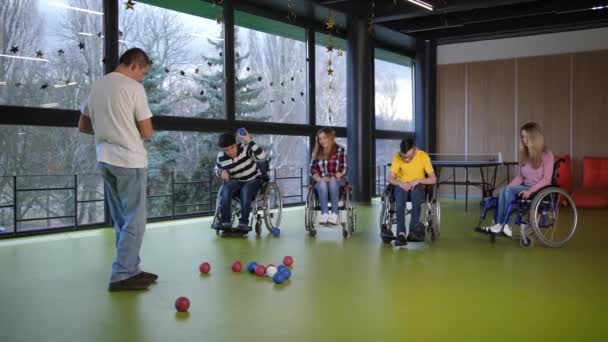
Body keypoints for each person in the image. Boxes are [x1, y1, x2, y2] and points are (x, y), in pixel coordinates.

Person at [79, 48, 157, 291]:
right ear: (135, 65)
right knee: (135, 220)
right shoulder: (133, 88)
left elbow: (83, 125)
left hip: (106, 158)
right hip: (129, 161)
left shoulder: (98, 85)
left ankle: (131, 268)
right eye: (143, 72)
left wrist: (109, 131)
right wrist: (125, 132)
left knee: (122, 218)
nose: (143, 78)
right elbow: (147, 132)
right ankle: (122, 274)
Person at [477, 122, 554, 237]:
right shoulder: (526, 155)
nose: (524, 140)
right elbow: (521, 177)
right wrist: (509, 186)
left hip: (539, 190)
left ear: (534, 137)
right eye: (522, 137)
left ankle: (507, 226)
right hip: (525, 187)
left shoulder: (547, 155)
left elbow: (547, 180)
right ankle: (499, 224)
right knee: (504, 190)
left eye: (526, 137)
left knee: (507, 191)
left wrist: (530, 191)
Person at [214, 129, 266, 235]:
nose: (231, 152)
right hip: (237, 181)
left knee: (246, 189)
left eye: (232, 148)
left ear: (235, 144)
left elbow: (262, 156)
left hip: (253, 179)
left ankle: (243, 223)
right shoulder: (221, 157)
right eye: (227, 150)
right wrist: (221, 172)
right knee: (226, 188)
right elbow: (216, 169)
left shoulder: (245, 148)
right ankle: (226, 223)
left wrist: (249, 141)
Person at [386, 138, 437, 246]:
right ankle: (401, 234)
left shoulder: (423, 156)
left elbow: (433, 179)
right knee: (399, 203)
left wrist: (418, 180)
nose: (407, 159)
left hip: (418, 186)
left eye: (410, 156)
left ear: (415, 150)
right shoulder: (397, 156)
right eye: (404, 157)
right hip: (402, 185)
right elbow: (390, 178)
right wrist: (399, 183)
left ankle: (414, 231)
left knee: (416, 199)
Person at [309, 128, 347, 225]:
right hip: (321, 181)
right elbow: (312, 170)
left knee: (332, 182)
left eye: (324, 138)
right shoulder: (316, 152)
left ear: (330, 138)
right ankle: (324, 213)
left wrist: (333, 176)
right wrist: (320, 178)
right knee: (322, 183)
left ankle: (335, 213)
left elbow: (343, 168)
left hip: (337, 180)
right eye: (320, 139)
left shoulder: (340, 150)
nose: (322, 141)